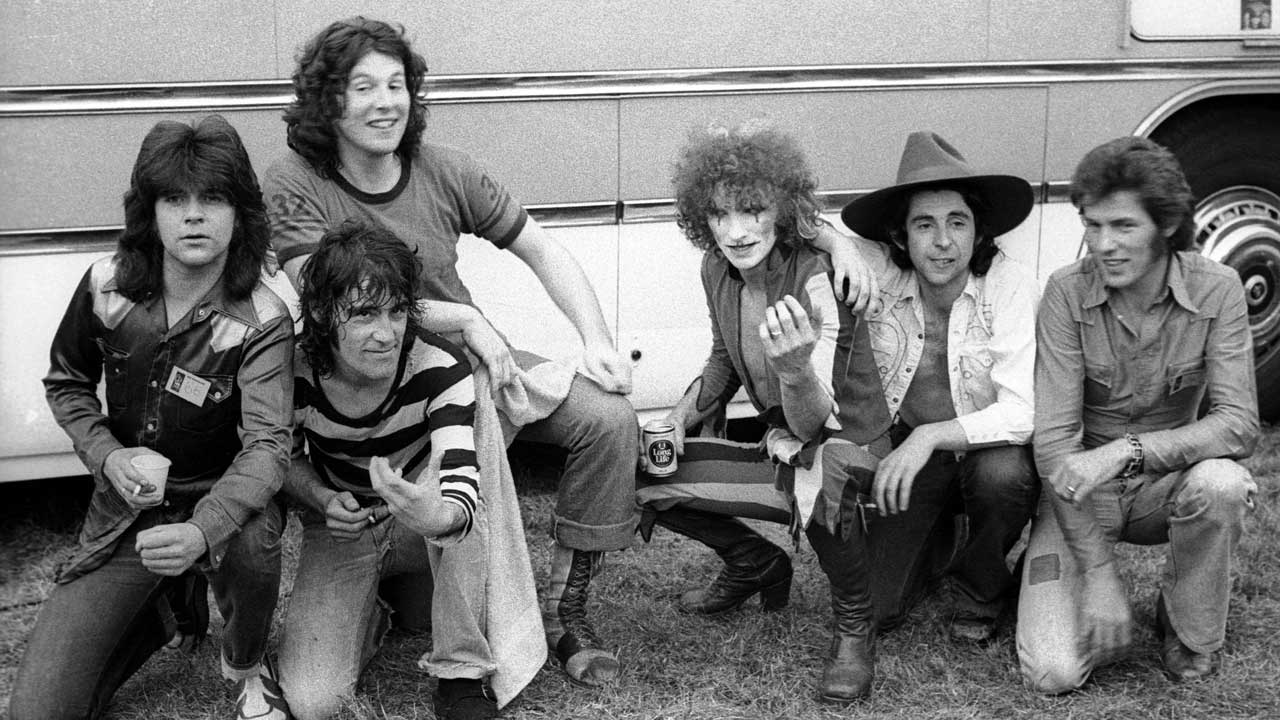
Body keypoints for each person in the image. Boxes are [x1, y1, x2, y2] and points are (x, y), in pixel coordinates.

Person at [261, 17, 638, 688]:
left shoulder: (446, 168)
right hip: (380, 384)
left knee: (607, 418)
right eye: (362, 87)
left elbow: (541, 248)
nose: (385, 102)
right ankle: (400, 588)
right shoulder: (294, 179)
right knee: (331, 675)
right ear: (327, 101)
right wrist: (464, 317)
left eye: (397, 85)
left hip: (470, 371)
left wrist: (597, 340)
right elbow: (326, 292)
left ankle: (565, 610)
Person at [9, 116, 293, 720]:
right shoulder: (106, 287)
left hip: (224, 502)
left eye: (213, 198)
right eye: (174, 199)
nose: (194, 216)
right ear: (150, 210)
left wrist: (202, 530)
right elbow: (67, 383)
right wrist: (108, 456)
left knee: (253, 540)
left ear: (240, 212)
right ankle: (172, 607)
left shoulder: (264, 317)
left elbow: (268, 448)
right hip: (128, 509)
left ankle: (244, 662)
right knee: (40, 710)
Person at [636, 122, 893, 704]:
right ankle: (752, 561)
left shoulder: (817, 276)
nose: (736, 231)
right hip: (783, 446)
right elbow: (723, 359)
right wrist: (676, 419)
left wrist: (795, 370)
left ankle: (855, 625)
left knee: (823, 469)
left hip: (850, 448)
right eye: (720, 213)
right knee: (642, 467)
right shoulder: (715, 268)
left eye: (752, 209)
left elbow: (815, 425)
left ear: (782, 209)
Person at [1017, 136, 1259, 692]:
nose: (1104, 245)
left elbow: (1239, 423)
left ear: (1166, 224)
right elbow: (1054, 447)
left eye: (1123, 226)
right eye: (1092, 224)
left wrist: (1127, 452)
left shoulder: (1218, 289)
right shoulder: (1065, 293)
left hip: (1165, 485)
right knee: (1053, 673)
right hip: (1079, 493)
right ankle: (1054, 578)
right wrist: (1100, 575)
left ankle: (1187, 623)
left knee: (1222, 484)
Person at [279, 221, 542, 720]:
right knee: (313, 704)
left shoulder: (439, 364)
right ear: (321, 313)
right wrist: (321, 499)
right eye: (364, 314)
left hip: (422, 528)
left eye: (397, 311)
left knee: (466, 511)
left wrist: (435, 513)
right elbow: (283, 458)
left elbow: (461, 476)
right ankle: (378, 608)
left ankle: (461, 675)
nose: (386, 334)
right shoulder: (292, 370)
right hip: (344, 526)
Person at [836, 131, 1040, 642]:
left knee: (1003, 477)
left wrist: (929, 436)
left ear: (979, 230)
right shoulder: (882, 271)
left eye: (957, 222)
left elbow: (1022, 413)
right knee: (876, 609)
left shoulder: (1011, 284)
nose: (943, 241)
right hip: (917, 456)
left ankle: (980, 589)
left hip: (988, 451)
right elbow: (801, 228)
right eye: (924, 224)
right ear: (900, 235)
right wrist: (835, 245)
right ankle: (942, 536)